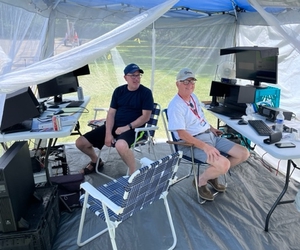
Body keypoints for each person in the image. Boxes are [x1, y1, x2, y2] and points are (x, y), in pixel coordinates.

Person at [167, 68, 250, 201]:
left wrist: (211, 128)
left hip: (209, 135)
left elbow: (199, 118)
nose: (190, 85)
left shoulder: (193, 97)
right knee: (224, 165)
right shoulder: (176, 106)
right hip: (191, 144)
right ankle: (201, 181)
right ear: (177, 84)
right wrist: (205, 147)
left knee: (244, 153)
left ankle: (212, 175)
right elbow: (182, 134)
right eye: (185, 82)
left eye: (192, 81)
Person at [76, 63, 154, 175]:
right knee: (80, 142)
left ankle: (134, 174)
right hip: (115, 126)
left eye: (138, 75)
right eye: (133, 75)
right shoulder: (119, 91)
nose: (136, 78)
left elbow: (145, 117)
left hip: (135, 129)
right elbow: (111, 113)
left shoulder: (145, 93)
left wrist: (126, 128)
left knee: (120, 145)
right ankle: (96, 161)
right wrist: (108, 133)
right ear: (125, 77)